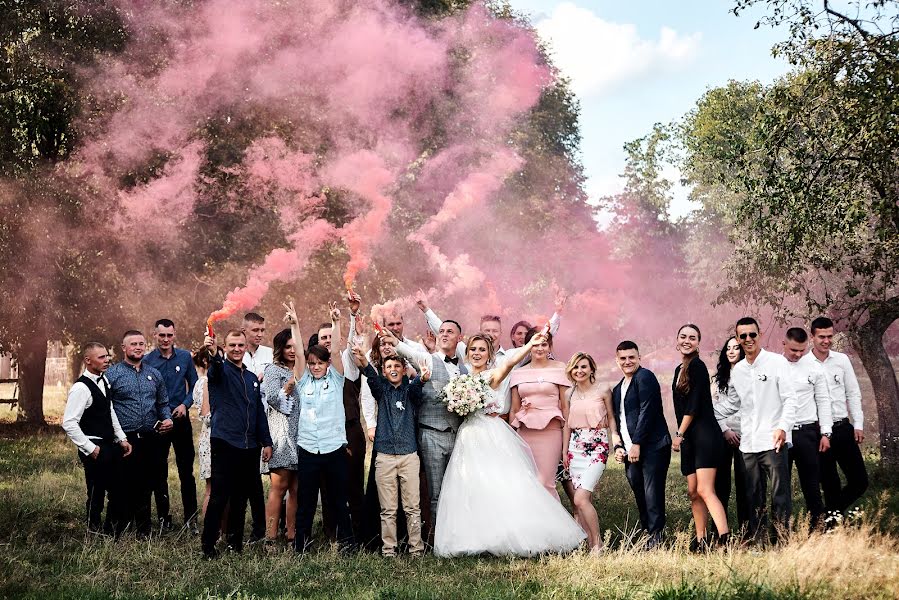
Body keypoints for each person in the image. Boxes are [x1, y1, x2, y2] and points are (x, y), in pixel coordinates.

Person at [435, 333, 585, 556]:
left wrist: (530, 345)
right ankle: (476, 538)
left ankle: (515, 534)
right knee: (471, 485)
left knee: (501, 483)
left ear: (489, 355)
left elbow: (510, 362)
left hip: (490, 432)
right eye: (473, 349)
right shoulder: (460, 379)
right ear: (466, 354)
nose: (477, 353)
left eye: (482, 350)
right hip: (468, 435)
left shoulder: (492, 375)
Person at [714, 317, 799, 544]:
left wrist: (782, 428)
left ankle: (782, 542)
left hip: (773, 441)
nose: (748, 339)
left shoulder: (776, 362)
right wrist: (702, 411)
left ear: (759, 334)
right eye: (743, 336)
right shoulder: (739, 371)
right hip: (748, 444)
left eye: (752, 334)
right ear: (738, 338)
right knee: (753, 496)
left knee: (780, 496)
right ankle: (758, 542)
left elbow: (791, 399)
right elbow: (732, 404)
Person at [387, 318, 466, 545]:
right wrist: (389, 336)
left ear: (459, 338)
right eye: (441, 331)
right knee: (436, 492)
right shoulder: (428, 360)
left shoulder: (464, 368)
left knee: (458, 488)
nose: (444, 334)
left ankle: (457, 535)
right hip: (431, 433)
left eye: (450, 331)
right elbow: (405, 350)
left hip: (458, 435)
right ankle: (437, 539)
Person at [200, 329, 273, 558]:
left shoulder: (251, 378)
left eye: (240, 345)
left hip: (250, 446)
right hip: (225, 441)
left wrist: (266, 442)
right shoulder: (219, 371)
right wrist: (213, 354)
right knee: (220, 496)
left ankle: (235, 543)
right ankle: (209, 545)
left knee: (241, 498)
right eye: (232, 345)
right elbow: (216, 367)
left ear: (245, 347)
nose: (237, 349)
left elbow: (259, 411)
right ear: (225, 346)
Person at [293, 303, 356, 553]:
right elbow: (298, 353)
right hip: (308, 448)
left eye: (320, 363)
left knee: (339, 500)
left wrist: (336, 322)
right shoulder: (303, 381)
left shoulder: (336, 378)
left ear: (327, 363)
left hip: (333, 448)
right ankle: (301, 545)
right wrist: (294, 324)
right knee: (306, 501)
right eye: (312, 363)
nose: (316, 366)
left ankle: (348, 544)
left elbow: (339, 350)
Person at [356, 349, 428, 557]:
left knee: (412, 506)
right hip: (385, 455)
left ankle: (416, 548)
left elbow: (419, 385)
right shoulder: (381, 390)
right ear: (384, 372)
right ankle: (389, 549)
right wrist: (362, 358)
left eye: (397, 366)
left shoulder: (410, 390)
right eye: (389, 367)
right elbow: (369, 374)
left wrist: (422, 378)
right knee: (388, 508)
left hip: (408, 455)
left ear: (404, 370)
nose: (393, 370)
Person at [62, 342, 132, 535]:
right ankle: (93, 531)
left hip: (110, 444)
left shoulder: (104, 381)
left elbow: (109, 411)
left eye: (107, 356)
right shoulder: (80, 388)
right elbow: (69, 423)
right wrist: (90, 448)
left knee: (117, 489)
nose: (107, 360)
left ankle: (112, 530)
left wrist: (121, 438)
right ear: (88, 360)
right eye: (101, 357)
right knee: (96, 492)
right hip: (94, 446)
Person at [107, 330, 172, 536]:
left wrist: (167, 417)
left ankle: (144, 531)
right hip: (124, 440)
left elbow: (162, 403)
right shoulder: (112, 375)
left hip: (150, 439)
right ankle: (117, 529)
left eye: (141, 344)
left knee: (146, 486)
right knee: (121, 485)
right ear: (123, 348)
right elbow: (105, 407)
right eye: (133, 344)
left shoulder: (154, 374)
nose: (138, 347)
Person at [670, 325, 730, 550]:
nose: (687, 340)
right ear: (677, 339)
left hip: (704, 434)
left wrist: (679, 434)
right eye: (683, 336)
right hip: (690, 439)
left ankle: (725, 540)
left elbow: (694, 405)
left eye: (692, 338)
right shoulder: (679, 369)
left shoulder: (698, 366)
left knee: (705, 490)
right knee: (693, 492)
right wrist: (683, 436)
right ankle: (700, 540)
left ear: (698, 342)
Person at [803, 316, 868, 519]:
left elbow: (853, 393)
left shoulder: (842, 360)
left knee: (860, 481)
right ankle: (830, 529)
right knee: (830, 483)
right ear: (812, 336)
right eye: (821, 336)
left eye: (830, 336)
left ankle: (826, 515)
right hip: (819, 432)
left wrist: (858, 424)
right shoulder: (803, 364)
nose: (826, 341)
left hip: (842, 427)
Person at [611, 340, 671, 550]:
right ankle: (648, 533)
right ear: (617, 360)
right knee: (639, 491)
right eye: (623, 358)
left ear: (639, 358)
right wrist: (620, 447)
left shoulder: (644, 377)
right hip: (630, 451)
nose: (627, 361)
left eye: (631, 357)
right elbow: (618, 420)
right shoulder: (618, 388)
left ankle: (657, 537)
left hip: (653, 446)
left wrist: (636, 443)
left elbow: (648, 410)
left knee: (652, 492)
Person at [314, 293, 364, 543]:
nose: (327, 341)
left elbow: (355, 339)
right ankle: (331, 535)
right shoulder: (314, 368)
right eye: (323, 338)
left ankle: (355, 535)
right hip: (323, 432)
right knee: (327, 485)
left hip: (349, 429)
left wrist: (352, 315)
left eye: (331, 337)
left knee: (353, 485)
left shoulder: (348, 361)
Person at [143, 318, 199, 532]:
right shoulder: (147, 360)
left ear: (174, 335)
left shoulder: (185, 357)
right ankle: (164, 518)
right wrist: (160, 416)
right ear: (155, 335)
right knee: (159, 471)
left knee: (186, 471)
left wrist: (186, 405)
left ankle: (191, 519)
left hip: (181, 420)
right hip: (159, 424)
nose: (166, 339)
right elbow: (146, 394)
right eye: (162, 335)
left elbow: (195, 385)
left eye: (169, 335)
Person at [562, 352, 616, 554]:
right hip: (575, 448)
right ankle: (587, 543)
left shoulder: (603, 390)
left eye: (583, 367)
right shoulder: (569, 394)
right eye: (575, 367)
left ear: (591, 369)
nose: (579, 371)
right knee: (585, 501)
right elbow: (567, 424)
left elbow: (611, 418)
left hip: (597, 447)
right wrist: (565, 451)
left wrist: (615, 437)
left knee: (580, 499)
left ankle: (598, 544)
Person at [509, 330, 570, 499]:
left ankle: (554, 525)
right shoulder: (518, 373)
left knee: (545, 483)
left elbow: (566, 408)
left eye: (544, 344)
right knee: (527, 482)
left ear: (550, 347)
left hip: (551, 432)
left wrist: (566, 443)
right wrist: (511, 439)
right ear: (528, 347)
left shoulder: (560, 369)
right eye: (535, 344)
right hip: (525, 433)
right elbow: (514, 410)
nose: (540, 348)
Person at [782, 327, 833, 530]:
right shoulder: (773, 366)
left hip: (807, 432)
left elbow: (823, 400)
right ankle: (780, 532)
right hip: (781, 433)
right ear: (784, 344)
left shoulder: (814, 367)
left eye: (801, 350)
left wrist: (826, 433)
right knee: (780, 486)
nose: (797, 354)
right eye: (793, 349)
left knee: (811, 484)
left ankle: (818, 529)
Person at [262, 304, 305, 545]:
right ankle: (270, 536)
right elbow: (270, 398)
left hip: (301, 434)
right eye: (287, 347)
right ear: (280, 349)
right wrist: (287, 386)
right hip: (280, 435)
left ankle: (292, 535)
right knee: (279, 486)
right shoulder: (272, 370)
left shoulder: (304, 370)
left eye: (294, 347)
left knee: (297, 489)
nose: (291, 351)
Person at [712, 337, 752, 533]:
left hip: (745, 435)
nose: (731, 351)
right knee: (721, 485)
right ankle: (720, 531)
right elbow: (713, 407)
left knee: (745, 484)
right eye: (728, 348)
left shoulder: (749, 374)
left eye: (736, 348)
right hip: (723, 435)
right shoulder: (718, 378)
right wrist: (725, 430)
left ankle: (746, 531)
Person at [192, 350, 213, 518]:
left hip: (226, 438)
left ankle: (224, 531)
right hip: (211, 439)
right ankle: (211, 531)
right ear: (206, 360)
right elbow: (206, 416)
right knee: (212, 489)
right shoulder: (203, 383)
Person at [241, 312, 274, 379]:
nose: (260, 334)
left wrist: (267, 375)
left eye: (262, 330)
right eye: (255, 330)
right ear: (244, 331)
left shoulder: (271, 353)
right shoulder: (234, 354)